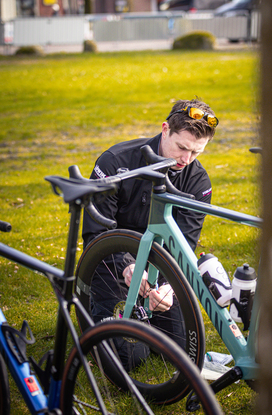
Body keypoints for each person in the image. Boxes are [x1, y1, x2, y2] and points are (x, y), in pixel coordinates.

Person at [82, 98, 219, 369]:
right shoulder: (115, 162)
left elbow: (184, 245)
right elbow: (95, 233)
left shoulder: (198, 182)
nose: (185, 160)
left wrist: (170, 287)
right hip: (110, 263)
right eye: (181, 148)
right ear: (165, 129)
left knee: (181, 349)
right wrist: (127, 265)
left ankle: (148, 316)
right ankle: (88, 312)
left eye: (196, 153)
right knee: (129, 358)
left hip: (158, 270)